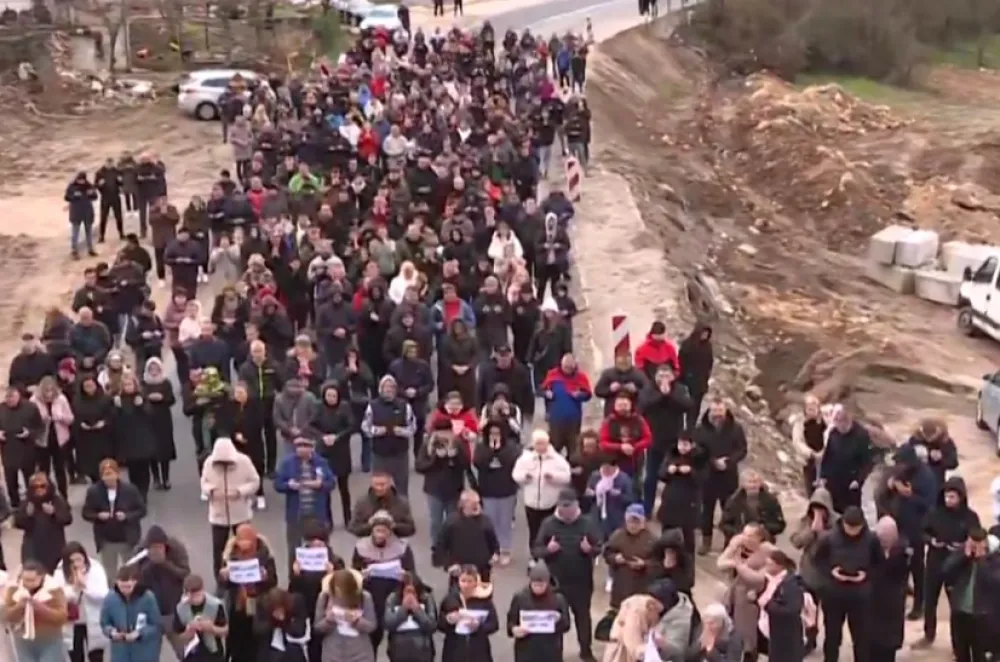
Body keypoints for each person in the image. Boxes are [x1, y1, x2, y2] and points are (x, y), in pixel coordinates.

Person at [532, 488, 603, 662]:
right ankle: (555, 654)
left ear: (576, 505)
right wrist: (548, 550)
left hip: (581, 580)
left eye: (569, 507)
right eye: (562, 507)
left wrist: (589, 550)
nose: (566, 511)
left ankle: (585, 650)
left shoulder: (587, 523)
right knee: (556, 618)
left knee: (583, 617)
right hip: (557, 581)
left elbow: (600, 547)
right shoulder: (548, 524)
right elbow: (536, 549)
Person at [913, 475, 981, 647]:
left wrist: (963, 546)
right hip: (935, 561)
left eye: (952, 497)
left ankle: (959, 642)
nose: (948, 500)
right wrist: (931, 541)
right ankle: (928, 634)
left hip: (957, 565)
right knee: (930, 600)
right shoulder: (934, 513)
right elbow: (922, 531)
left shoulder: (970, 517)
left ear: (961, 497)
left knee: (957, 606)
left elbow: (977, 537)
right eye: (946, 496)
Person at [812, 506, 882, 662]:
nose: (852, 531)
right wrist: (831, 572)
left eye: (856, 528)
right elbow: (818, 560)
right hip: (834, 594)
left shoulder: (871, 539)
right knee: (832, 636)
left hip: (860, 595)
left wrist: (867, 575)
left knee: (861, 637)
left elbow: (879, 564)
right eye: (849, 527)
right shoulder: (829, 538)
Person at [351, 511, 417, 654]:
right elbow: (353, 573)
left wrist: (406, 576)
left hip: (395, 594)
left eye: (384, 531)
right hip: (371, 594)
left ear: (390, 532)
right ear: (372, 531)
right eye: (378, 530)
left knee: (397, 636)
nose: (380, 534)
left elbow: (412, 573)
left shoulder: (402, 547)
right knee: (373, 636)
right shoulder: (361, 547)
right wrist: (361, 575)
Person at [716, 523, 777, 662]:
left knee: (749, 638)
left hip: (752, 599)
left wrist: (740, 565)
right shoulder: (737, 546)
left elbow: (759, 578)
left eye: (750, 535)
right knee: (732, 632)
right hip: (732, 595)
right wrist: (734, 557)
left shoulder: (767, 552)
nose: (745, 538)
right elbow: (720, 563)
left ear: (759, 538)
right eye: (744, 534)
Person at [200, 437, 262, 574]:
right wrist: (211, 490)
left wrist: (240, 491)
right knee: (218, 549)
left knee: (245, 546)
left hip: (240, 514)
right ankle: (220, 577)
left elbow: (255, 481)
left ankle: (245, 575)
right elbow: (204, 482)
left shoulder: (244, 461)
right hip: (218, 514)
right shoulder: (209, 463)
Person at [219, 524, 278, 662]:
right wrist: (224, 577)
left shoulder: (265, 555)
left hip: (259, 605)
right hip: (238, 606)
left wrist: (265, 577)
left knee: (258, 640)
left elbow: (274, 581)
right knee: (239, 641)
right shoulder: (230, 555)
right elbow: (224, 585)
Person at [696, 398, 749, 554]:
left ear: (725, 411)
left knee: (729, 510)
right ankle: (706, 541)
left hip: (728, 475)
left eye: (720, 410)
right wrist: (712, 461)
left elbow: (742, 449)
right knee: (707, 510)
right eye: (715, 410)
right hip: (708, 475)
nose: (717, 414)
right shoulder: (701, 429)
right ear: (709, 411)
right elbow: (697, 450)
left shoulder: (736, 428)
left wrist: (729, 461)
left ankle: (728, 541)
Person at [788, 486, 835, 654]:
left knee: (831, 614)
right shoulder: (805, 521)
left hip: (829, 574)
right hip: (809, 573)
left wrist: (821, 532)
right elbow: (796, 541)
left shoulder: (837, 522)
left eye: (821, 507)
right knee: (809, 609)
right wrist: (811, 530)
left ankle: (831, 643)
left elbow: (836, 543)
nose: (818, 510)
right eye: (815, 507)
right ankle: (810, 639)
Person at [275, 436, 336, 564]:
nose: (301, 449)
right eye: (298, 446)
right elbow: (278, 484)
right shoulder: (287, 463)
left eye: (305, 446)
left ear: (312, 447)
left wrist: (320, 485)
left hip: (317, 515)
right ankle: (294, 575)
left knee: (321, 549)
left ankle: (322, 573)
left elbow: (331, 483)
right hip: (296, 515)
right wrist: (289, 485)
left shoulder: (321, 463)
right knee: (294, 550)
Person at [80, 459, 146, 577]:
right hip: (107, 540)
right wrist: (98, 516)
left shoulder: (130, 490)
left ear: (117, 474)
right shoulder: (94, 492)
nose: (108, 478)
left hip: (127, 539)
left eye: (111, 474)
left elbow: (142, 510)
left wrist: (127, 516)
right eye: (105, 475)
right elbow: (86, 513)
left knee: (132, 572)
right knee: (110, 574)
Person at [942, 527, 997, 662]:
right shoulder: (961, 554)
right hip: (960, 613)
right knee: (961, 653)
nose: (974, 548)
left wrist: (982, 559)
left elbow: (994, 582)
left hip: (982, 615)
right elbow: (946, 571)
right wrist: (964, 557)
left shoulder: (994, 558)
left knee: (980, 655)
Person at [512, 429, 572, 551]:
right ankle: (534, 554)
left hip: (550, 502)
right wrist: (525, 477)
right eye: (537, 443)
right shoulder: (525, 459)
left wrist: (554, 477)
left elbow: (567, 476)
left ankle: (548, 553)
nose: (540, 446)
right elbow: (516, 474)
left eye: (542, 443)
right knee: (533, 530)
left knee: (549, 530)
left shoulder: (557, 459)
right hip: (531, 502)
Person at [415, 418, 470, 544]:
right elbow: (420, 466)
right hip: (434, 490)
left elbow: (466, 465)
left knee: (453, 520)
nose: (443, 435)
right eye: (440, 432)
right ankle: (436, 545)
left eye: (446, 431)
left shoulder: (458, 443)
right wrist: (434, 459)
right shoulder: (428, 445)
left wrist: (455, 457)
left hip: (454, 489)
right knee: (436, 521)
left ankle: (452, 544)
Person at [474, 419, 521, 565]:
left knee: (505, 522)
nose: (494, 436)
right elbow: (478, 462)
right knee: (490, 522)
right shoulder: (482, 446)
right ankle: (493, 550)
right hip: (488, 490)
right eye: (492, 433)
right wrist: (491, 451)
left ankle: (505, 550)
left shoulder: (511, 446)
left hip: (507, 490)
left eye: (497, 433)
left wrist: (499, 451)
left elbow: (512, 462)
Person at [2, 559, 69, 662]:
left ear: (42, 577)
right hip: (23, 641)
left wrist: (42, 608)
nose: (28, 583)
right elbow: (6, 616)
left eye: (32, 580)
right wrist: (19, 607)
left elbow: (62, 617)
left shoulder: (54, 590)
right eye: (25, 580)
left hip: (50, 641)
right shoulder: (14, 589)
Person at [362, 375, 417, 496]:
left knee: (402, 490)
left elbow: (413, 427)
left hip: (400, 455)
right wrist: (376, 431)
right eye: (386, 387)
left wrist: (402, 431)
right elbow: (365, 427)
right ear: (381, 389)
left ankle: (402, 508)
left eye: (392, 387)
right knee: (379, 488)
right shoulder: (372, 406)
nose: (389, 389)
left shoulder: (404, 405)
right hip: (380, 455)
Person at [506, 561, 571, 662]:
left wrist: (558, 620)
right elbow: (511, 621)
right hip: (526, 650)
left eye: (541, 585)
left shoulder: (558, 599)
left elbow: (566, 625)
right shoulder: (520, 598)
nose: (538, 588)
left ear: (547, 583)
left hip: (550, 650)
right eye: (535, 585)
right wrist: (514, 629)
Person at [56, 541, 109, 662]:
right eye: (72, 561)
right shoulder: (59, 572)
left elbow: (103, 594)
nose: (76, 564)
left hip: (93, 620)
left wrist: (85, 587)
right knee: (76, 656)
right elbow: (59, 596)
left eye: (79, 559)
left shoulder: (95, 569)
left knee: (96, 656)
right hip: (72, 622)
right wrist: (75, 588)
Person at [433, 490, 500, 584]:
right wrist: (449, 565)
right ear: (463, 504)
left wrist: (495, 554)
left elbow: (493, 542)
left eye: (478, 502)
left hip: (482, 572)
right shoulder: (452, 522)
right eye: (473, 503)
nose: (477, 506)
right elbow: (440, 546)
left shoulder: (486, 521)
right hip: (459, 572)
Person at [100, 564, 162, 662]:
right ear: (117, 582)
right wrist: (112, 632)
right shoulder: (110, 598)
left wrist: (139, 633)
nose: (124, 590)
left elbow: (156, 625)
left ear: (135, 582)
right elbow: (104, 622)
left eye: (128, 587)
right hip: (120, 653)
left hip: (144, 653)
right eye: (122, 587)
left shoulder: (147, 598)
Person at [314, 569, 378, 662]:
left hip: (360, 653)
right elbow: (317, 627)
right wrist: (328, 620)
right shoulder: (324, 597)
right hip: (332, 653)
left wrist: (356, 621)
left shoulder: (364, 597)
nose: (339, 592)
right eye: (337, 588)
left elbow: (371, 626)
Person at [438, 566, 499, 662]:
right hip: (454, 650)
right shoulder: (450, 599)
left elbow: (494, 624)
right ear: (458, 581)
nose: (466, 585)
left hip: (478, 650)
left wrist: (479, 626)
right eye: (463, 581)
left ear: (476, 582)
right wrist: (448, 620)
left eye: (470, 581)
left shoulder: (484, 600)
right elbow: (439, 624)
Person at [15, 471, 73, 572]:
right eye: (35, 487)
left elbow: (67, 519)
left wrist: (54, 513)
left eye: (42, 486)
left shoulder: (57, 501)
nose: (39, 489)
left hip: (54, 546)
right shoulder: (27, 503)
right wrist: (27, 515)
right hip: (33, 547)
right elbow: (18, 523)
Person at [869, 517, 908, 662]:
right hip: (873, 607)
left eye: (888, 536)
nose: (884, 539)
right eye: (882, 536)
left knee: (888, 650)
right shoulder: (870, 549)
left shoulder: (902, 552)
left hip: (892, 607)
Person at [30, 375, 75, 500]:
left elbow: (70, 419)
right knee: (44, 471)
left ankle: (63, 498)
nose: (49, 393)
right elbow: (30, 421)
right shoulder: (34, 401)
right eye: (46, 390)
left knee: (60, 469)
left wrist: (60, 417)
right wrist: (41, 420)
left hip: (59, 440)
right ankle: (45, 497)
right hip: (42, 440)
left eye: (51, 390)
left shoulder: (61, 399)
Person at [113, 373, 156, 500]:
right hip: (127, 439)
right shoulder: (119, 400)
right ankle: (136, 492)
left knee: (144, 469)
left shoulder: (141, 397)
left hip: (142, 438)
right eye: (125, 384)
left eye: (130, 384)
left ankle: (143, 493)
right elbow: (114, 420)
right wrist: (117, 408)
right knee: (133, 470)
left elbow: (150, 414)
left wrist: (141, 405)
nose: (128, 387)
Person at [604, 505, 657, 609]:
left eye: (636, 522)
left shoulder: (652, 540)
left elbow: (658, 563)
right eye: (630, 521)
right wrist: (615, 558)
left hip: (642, 591)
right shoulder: (618, 535)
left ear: (643, 522)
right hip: (621, 589)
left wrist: (644, 564)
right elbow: (607, 553)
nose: (633, 525)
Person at [0, 385, 44, 508]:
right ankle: (15, 505)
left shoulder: (30, 407)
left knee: (30, 478)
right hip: (8, 449)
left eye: (12, 398)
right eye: (7, 398)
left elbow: (40, 427)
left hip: (26, 449)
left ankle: (33, 502)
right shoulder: (1, 409)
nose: (10, 401)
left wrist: (29, 433)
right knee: (11, 480)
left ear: (18, 396)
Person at [718, 469, 786, 546]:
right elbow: (724, 525)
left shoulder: (770, 500)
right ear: (743, 484)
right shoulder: (733, 500)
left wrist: (762, 529)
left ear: (760, 483)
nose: (753, 485)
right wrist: (741, 532)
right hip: (739, 541)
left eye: (756, 482)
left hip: (763, 540)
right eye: (750, 482)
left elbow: (780, 525)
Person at [540, 353, 592, 455]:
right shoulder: (553, 374)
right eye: (565, 367)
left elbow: (588, 394)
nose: (567, 370)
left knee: (573, 448)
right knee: (554, 448)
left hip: (573, 420)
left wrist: (580, 395)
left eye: (570, 368)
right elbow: (542, 390)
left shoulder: (580, 377)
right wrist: (547, 393)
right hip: (556, 419)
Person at [383, 572, 437, 662]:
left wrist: (417, 610)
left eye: (413, 592)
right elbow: (388, 624)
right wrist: (403, 609)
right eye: (407, 591)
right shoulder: (393, 599)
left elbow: (432, 625)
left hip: (423, 650)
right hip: (398, 650)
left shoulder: (427, 598)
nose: (410, 596)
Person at [172, 574, 228, 662]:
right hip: (192, 654)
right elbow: (179, 636)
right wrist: (189, 632)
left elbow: (225, 630)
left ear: (202, 590)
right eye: (192, 596)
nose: (195, 599)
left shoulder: (215, 605)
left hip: (213, 653)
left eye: (198, 595)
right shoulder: (180, 608)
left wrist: (211, 628)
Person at [141, 357, 177, 490]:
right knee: (152, 450)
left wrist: (163, 398)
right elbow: (140, 398)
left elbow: (172, 399)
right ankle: (156, 478)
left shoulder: (165, 382)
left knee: (164, 449)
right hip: (148, 419)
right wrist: (148, 398)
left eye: (156, 368)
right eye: (151, 368)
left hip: (163, 418)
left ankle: (166, 478)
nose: (154, 370)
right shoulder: (143, 383)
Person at [348, 472, 416, 538]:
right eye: (376, 484)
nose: (379, 488)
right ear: (371, 484)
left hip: (395, 541)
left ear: (390, 484)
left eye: (382, 484)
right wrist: (370, 525)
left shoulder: (401, 503)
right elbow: (353, 528)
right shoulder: (362, 502)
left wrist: (393, 525)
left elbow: (411, 529)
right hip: (368, 541)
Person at [254, 587, 310, 662]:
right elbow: (257, 629)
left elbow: (299, 631)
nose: (277, 611)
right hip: (269, 651)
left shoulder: (296, 604)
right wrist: (273, 621)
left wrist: (284, 620)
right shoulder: (262, 607)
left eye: (279, 608)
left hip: (292, 650)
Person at [677, 323, 713, 423]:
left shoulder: (708, 346)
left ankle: (691, 426)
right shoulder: (687, 345)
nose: (705, 336)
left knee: (695, 407)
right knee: (683, 405)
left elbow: (710, 362)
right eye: (703, 333)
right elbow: (680, 362)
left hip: (701, 383)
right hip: (687, 381)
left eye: (707, 334)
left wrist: (707, 377)